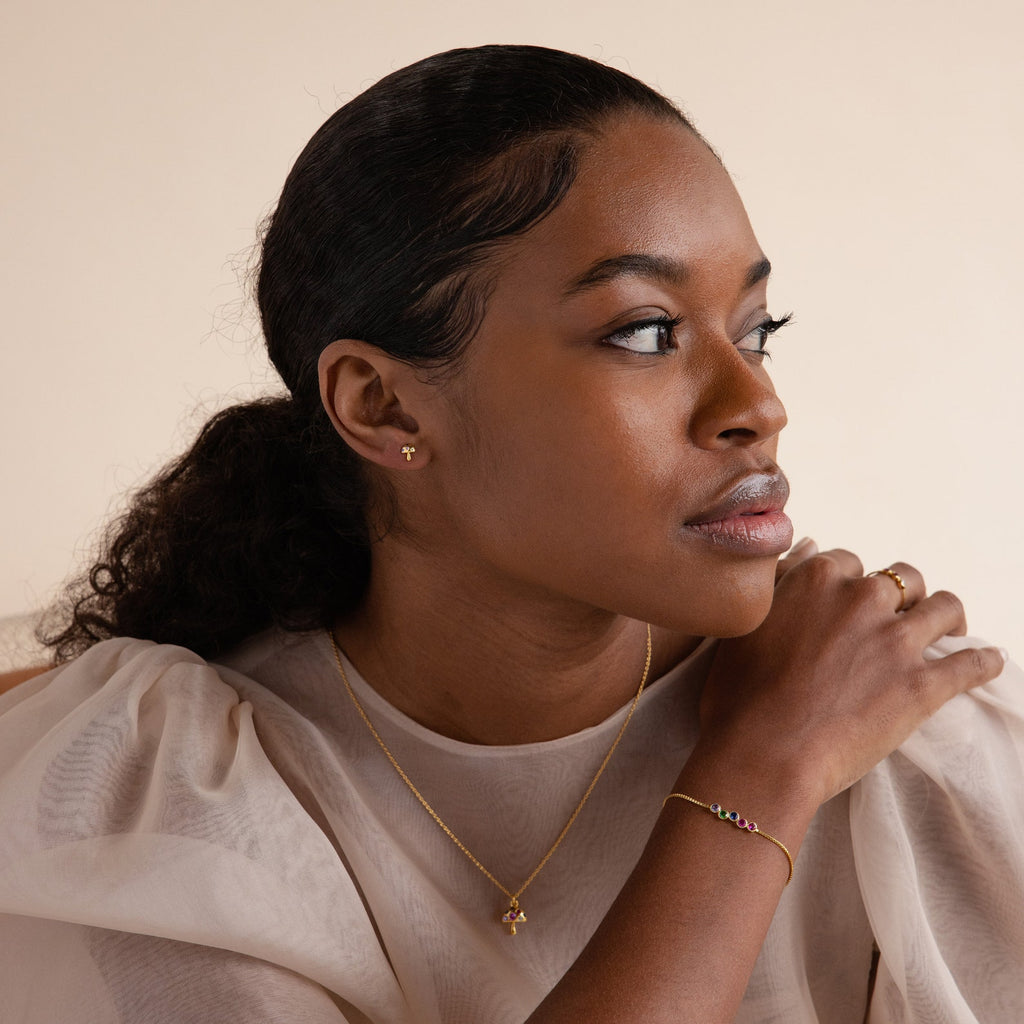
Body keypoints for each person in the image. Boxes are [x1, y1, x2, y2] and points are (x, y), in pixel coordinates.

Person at [0, 44, 1021, 1024]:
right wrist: (758, 775)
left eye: (755, 330)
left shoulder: (903, 743)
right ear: (386, 408)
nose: (755, 402)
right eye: (646, 331)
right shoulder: (163, 799)